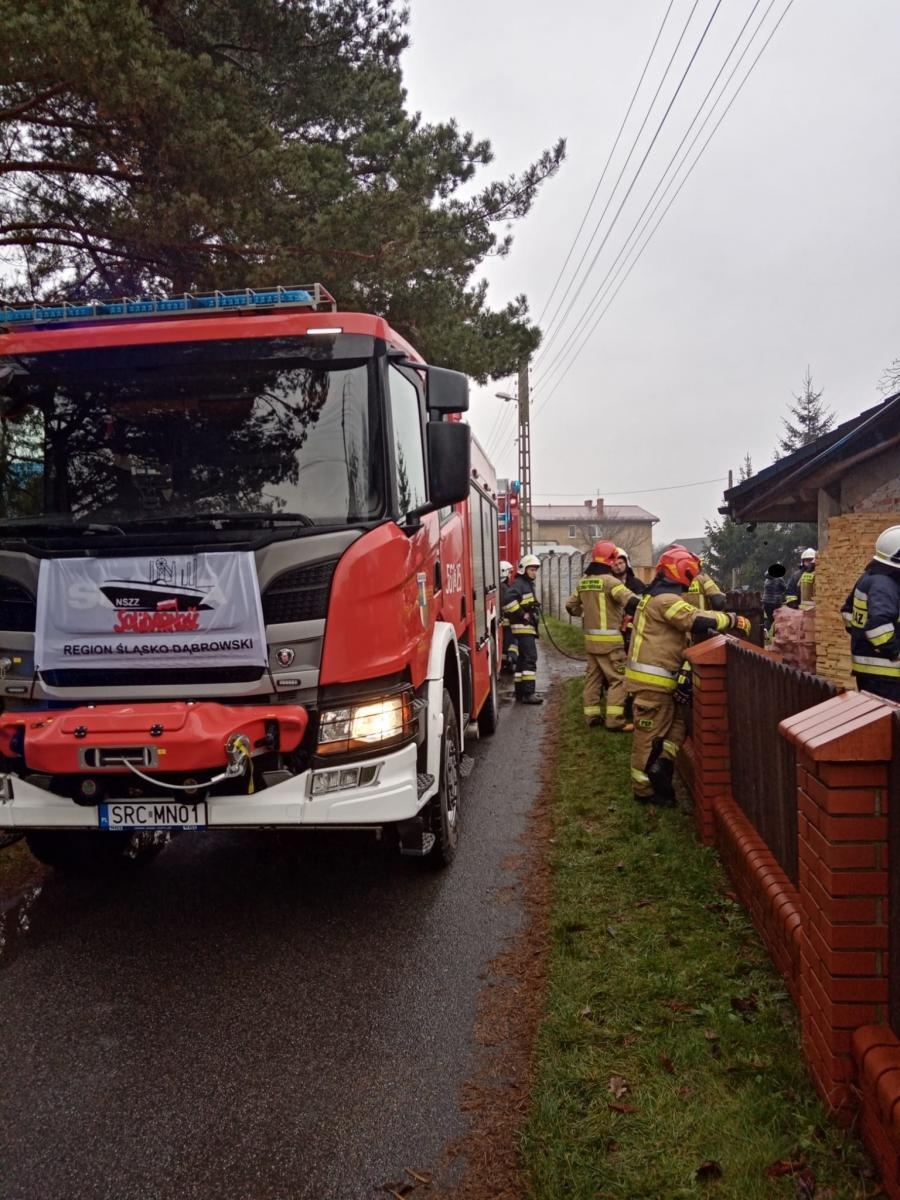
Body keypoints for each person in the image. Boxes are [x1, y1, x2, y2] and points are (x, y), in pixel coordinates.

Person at [626, 547, 750, 805]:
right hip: (653, 683)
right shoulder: (666, 601)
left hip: (658, 679)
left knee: (678, 726)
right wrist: (732, 620)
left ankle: (662, 766)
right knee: (648, 738)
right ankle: (645, 791)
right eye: (691, 576)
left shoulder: (654, 597)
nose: (692, 582)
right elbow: (693, 620)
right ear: (682, 573)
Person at [565, 539, 639, 729]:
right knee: (619, 679)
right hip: (611, 643)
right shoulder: (611, 582)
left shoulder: (584, 582)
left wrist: (585, 613)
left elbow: (570, 606)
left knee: (593, 679)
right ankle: (614, 721)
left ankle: (592, 718)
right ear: (610, 559)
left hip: (591, 642)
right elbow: (631, 602)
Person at [840, 526, 900, 702]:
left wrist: (861, 637)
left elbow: (847, 613)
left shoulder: (870, 577)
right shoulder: (885, 585)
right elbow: (878, 626)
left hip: (870, 672)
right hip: (887, 676)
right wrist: (895, 651)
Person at [503, 554, 543, 704]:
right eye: (532, 569)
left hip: (526, 628)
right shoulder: (520, 584)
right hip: (523, 628)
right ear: (523, 570)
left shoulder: (526, 584)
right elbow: (507, 601)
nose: (534, 573)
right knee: (530, 659)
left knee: (521, 661)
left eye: (535, 570)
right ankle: (528, 693)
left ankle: (520, 692)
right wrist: (522, 614)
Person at [498, 559, 518, 677]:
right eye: (509, 573)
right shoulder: (506, 589)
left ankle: (506, 662)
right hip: (508, 623)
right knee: (512, 644)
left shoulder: (499, 587)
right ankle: (511, 662)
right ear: (505, 573)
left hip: (502, 623)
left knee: (505, 645)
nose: (511, 575)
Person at [762, 562, 787, 632]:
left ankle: (765, 629)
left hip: (766, 601)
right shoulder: (780, 578)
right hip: (776, 602)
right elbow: (785, 588)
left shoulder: (767, 579)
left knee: (770, 618)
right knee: (778, 618)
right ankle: (776, 633)